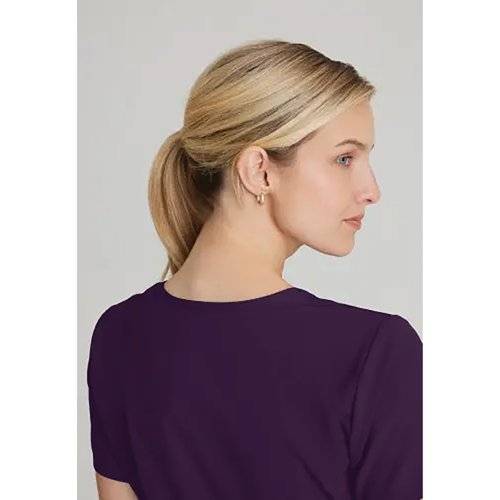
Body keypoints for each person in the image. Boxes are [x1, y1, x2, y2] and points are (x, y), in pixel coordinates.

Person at [87, 39, 422, 500]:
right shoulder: (376, 355)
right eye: (345, 158)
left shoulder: (120, 334)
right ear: (259, 171)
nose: (371, 190)